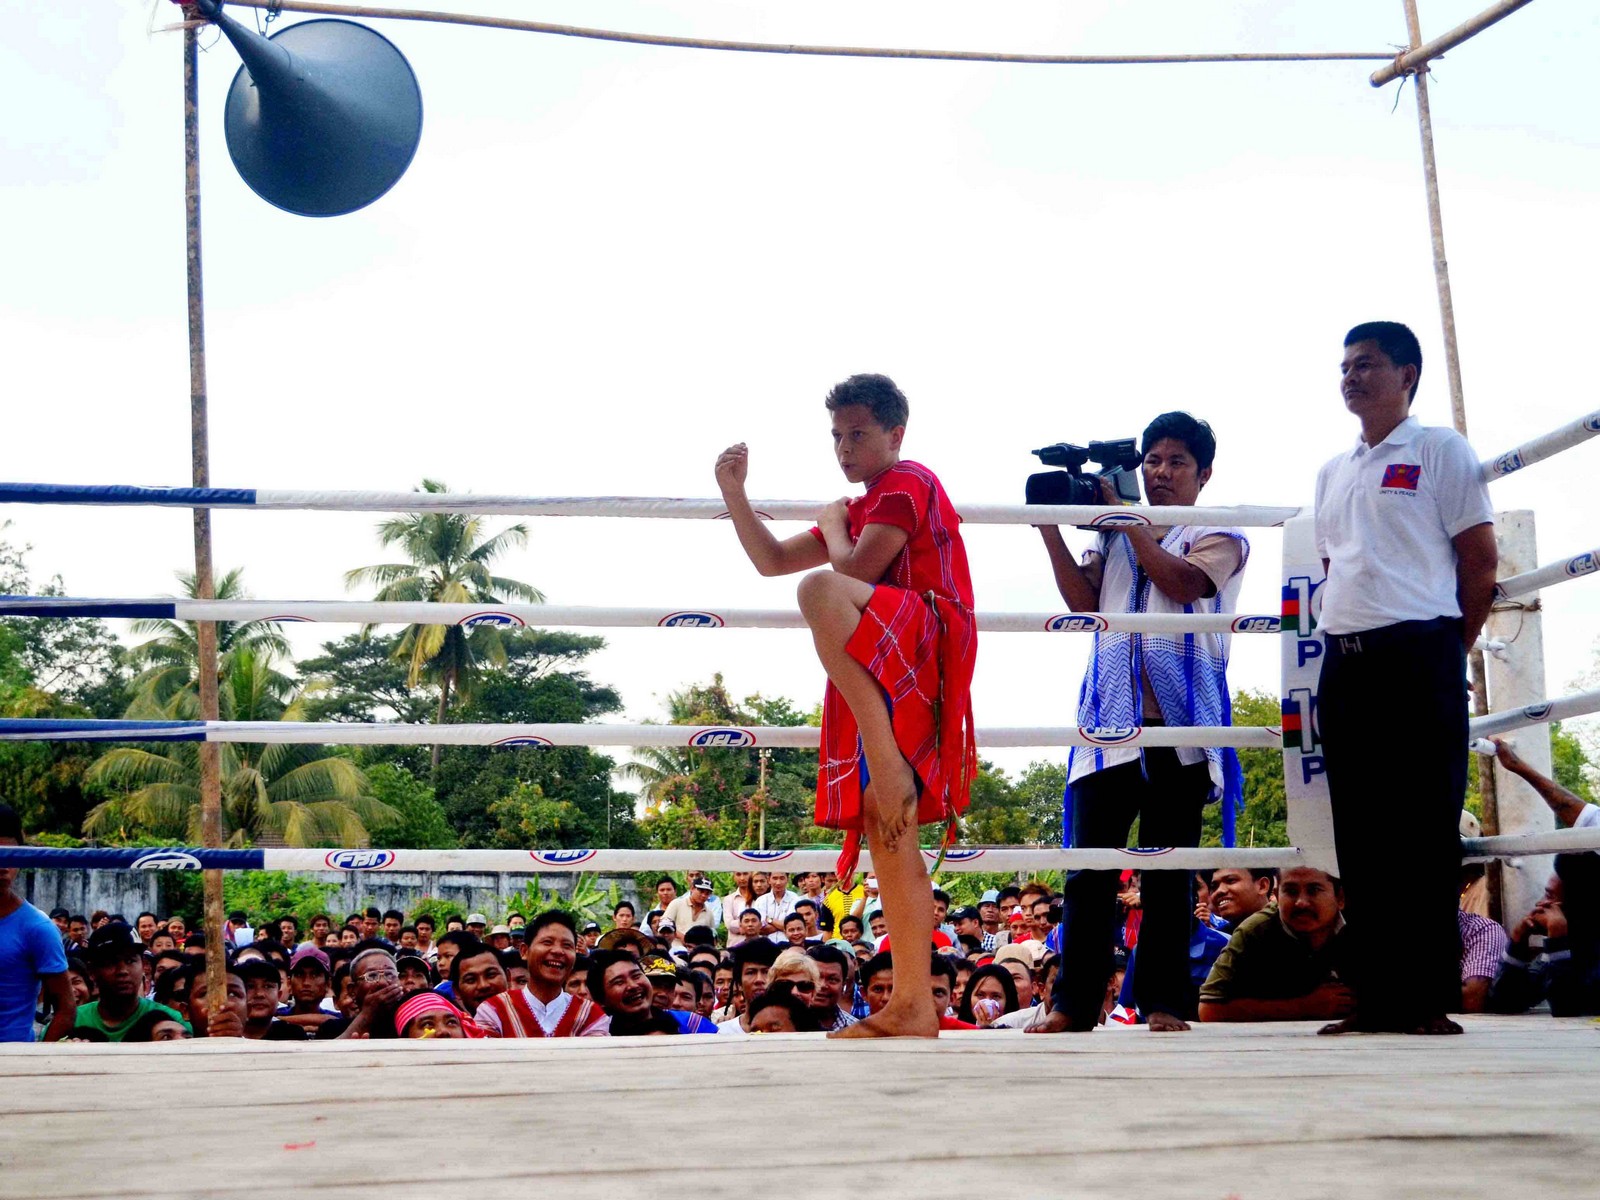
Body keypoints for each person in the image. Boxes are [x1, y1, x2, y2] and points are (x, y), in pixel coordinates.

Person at [717, 374, 978, 1039]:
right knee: (891, 832)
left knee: (821, 590)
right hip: (880, 655)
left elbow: (848, 579)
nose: (844, 447)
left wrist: (834, 526)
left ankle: (886, 758)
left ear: (895, 434)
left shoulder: (906, 481)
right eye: (836, 435)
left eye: (858, 434)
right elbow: (770, 559)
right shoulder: (863, 506)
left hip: (924, 638)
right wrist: (734, 493)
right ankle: (914, 1004)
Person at [1031, 412, 1248, 1037]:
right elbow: (1082, 600)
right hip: (1107, 722)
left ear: (1203, 473)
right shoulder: (1113, 529)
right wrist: (1049, 529)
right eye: (1152, 460)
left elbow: (1182, 584)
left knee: (1168, 872)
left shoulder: (1223, 530)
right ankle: (1072, 1005)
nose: (1160, 472)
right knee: (1089, 872)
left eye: (1176, 461)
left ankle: (1163, 1002)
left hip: (1181, 724)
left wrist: (1131, 526)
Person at [1315, 321, 1497, 1037]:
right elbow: (1336, 566)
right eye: (1345, 367)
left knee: (1423, 829)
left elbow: (1479, 564)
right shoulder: (1333, 470)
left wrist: (1450, 652)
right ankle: (1374, 995)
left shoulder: (1439, 450)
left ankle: (1423, 996)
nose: (1352, 377)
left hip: (1420, 652)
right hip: (1346, 659)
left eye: (1367, 365)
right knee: (1360, 835)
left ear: (1407, 374)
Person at [1197, 868, 1355, 1024]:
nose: (1301, 903)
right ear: (1277, 895)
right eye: (1291, 891)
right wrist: (1303, 1006)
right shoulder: (1255, 930)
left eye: (1313, 890)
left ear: (1340, 897)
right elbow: (1208, 1009)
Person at [0, 803, 76, 1042]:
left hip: (13, 1063)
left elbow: (66, 1009)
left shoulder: (37, 928)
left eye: (8, 853)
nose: (3, 864)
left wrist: (37, 1057)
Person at [476, 911, 608, 1037]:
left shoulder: (590, 1015)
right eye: (547, 942)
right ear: (524, 951)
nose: (557, 951)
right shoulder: (494, 1011)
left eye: (567, 945)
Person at [73, 923, 185, 1042]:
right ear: (92, 972)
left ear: (143, 965)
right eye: (111, 962)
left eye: (130, 961)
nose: (122, 971)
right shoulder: (72, 1021)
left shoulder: (172, 1022)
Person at [1208, 868, 1276, 932]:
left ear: (1262, 886)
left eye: (1230, 880)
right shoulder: (1215, 941)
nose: (1219, 891)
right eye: (1214, 887)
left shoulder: (1284, 931)